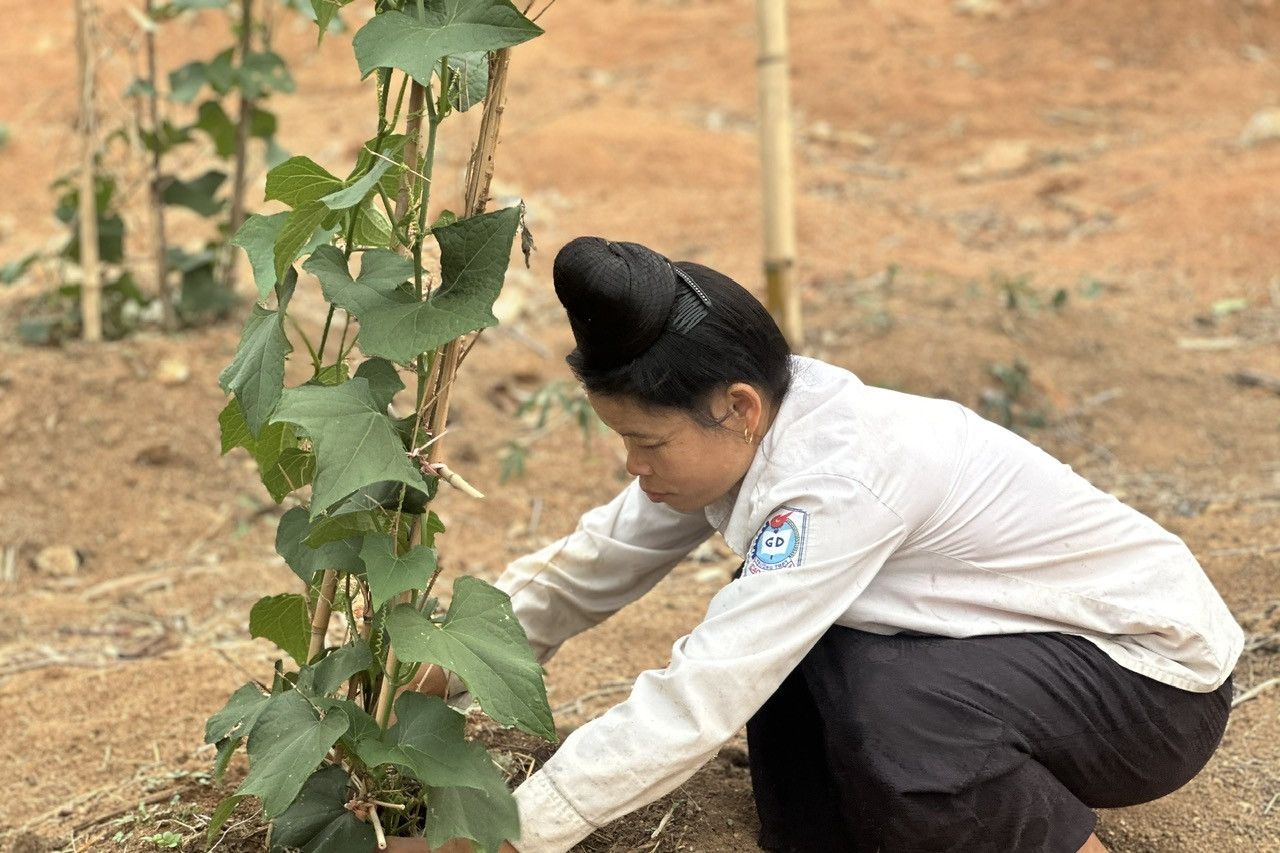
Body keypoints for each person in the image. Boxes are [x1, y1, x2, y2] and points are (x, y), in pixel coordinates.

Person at [386, 236, 1243, 853]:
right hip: (1019, 653)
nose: (634, 466)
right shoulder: (738, 442)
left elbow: (703, 693)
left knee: (888, 704)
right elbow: (589, 569)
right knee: (823, 664)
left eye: (648, 443)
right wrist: (443, 662)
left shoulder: (842, 479)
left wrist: (508, 836)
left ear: (739, 406)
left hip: (1148, 686)